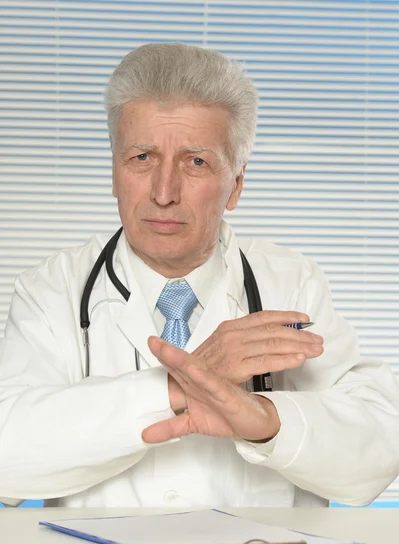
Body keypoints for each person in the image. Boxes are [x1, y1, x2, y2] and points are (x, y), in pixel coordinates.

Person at [1, 43, 398, 509]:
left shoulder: (293, 284)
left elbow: (377, 452)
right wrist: (179, 386)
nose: (164, 193)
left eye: (196, 162)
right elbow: (8, 458)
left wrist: (267, 420)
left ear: (236, 185)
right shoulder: (53, 289)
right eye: (142, 158)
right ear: (114, 173)